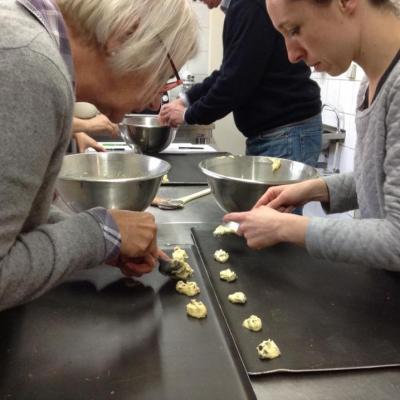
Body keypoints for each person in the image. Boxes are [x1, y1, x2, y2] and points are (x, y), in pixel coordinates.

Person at [0, 0, 197, 311]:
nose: (154, 96)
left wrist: (103, 241)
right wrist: (99, 233)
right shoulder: (29, 65)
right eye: (162, 76)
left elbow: (17, 221)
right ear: (125, 33)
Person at [224, 0, 400, 269]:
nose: (291, 55)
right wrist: (314, 189)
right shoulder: (371, 81)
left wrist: (287, 228)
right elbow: (379, 179)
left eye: (294, 29)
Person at [159, 0, 322, 167]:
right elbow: (228, 72)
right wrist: (185, 99)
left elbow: (234, 83)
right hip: (278, 134)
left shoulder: (247, 5)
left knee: (280, 194)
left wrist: (188, 114)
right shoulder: (242, 7)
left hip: (286, 135)